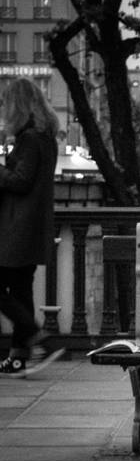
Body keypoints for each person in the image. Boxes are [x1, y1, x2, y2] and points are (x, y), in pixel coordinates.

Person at [0, 78, 64, 377]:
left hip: (17, 227)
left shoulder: (30, 139)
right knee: (22, 290)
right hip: (33, 225)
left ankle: (37, 335)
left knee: (8, 289)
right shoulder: (45, 137)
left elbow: (21, 181)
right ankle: (18, 356)